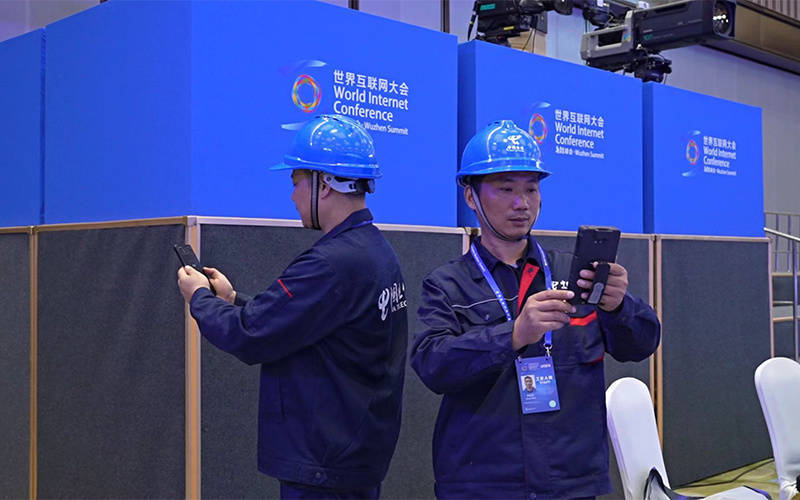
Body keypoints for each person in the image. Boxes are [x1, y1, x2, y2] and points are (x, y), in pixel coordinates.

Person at [411, 120, 661, 499]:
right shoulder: (448, 285)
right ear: (471, 197)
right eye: (505, 189)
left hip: (570, 480)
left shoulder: (573, 275)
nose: (521, 203)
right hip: (483, 483)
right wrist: (512, 335)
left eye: (531, 188)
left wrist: (619, 307)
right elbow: (432, 365)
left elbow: (641, 345)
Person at [177, 114, 408, 499]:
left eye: (296, 182)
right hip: (353, 458)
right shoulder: (375, 252)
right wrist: (232, 300)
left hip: (324, 468)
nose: (293, 196)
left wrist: (198, 297)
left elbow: (250, 335)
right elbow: (303, 321)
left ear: (325, 184)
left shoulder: (331, 264)